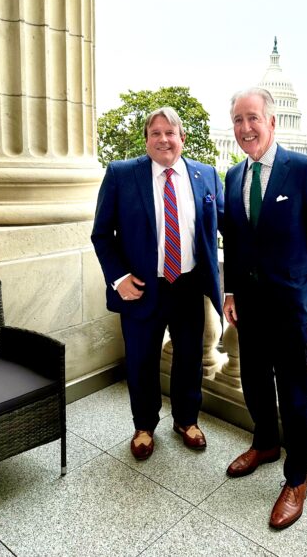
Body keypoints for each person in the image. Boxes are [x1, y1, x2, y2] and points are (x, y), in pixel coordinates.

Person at [223, 87, 307, 529]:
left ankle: (297, 479)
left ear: (272, 122)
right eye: (238, 120)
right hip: (248, 306)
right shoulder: (234, 175)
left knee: (292, 392)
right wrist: (231, 292)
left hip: (290, 302)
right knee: (252, 380)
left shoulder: (303, 169)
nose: (245, 128)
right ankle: (265, 444)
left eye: (252, 118)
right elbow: (232, 241)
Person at [92, 107, 223, 461]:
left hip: (188, 286)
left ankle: (186, 420)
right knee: (141, 359)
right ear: (147, 139)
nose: (164, 139)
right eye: (156, 133)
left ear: (182, 138)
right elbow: (102, 235)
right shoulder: (122, 174)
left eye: (171, 133)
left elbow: (228, 228)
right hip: (142, 287)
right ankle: (144, 425)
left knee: (190, 358)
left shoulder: (206, 175)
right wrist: (118, 279)